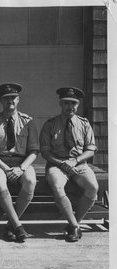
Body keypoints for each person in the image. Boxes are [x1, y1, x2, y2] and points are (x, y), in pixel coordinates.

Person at [40, 87, 99, 242]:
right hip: (57, 165)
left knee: (93, 188)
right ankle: (74, 226)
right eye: (66, 103)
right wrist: (62, 163)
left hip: (79, 164)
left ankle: (74, 224)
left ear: (77, 105)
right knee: (57, 186)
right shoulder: (50, 124)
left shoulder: (84, 124)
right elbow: (45, 151)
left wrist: (75, 161)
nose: (70, 106)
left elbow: (91, 149)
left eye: (73, 103)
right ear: (60, 103)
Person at [0, 83, 39, 242]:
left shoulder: (28, 121)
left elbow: (34, 151)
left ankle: (11, 225)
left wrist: (21, 168)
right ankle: (18, 227)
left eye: (13, 98)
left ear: (18, 99)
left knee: (30, 181)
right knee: (0, 182)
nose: (10, 101)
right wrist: (7, 169)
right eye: (6, 98)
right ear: (0, 100)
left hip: (23, 162)